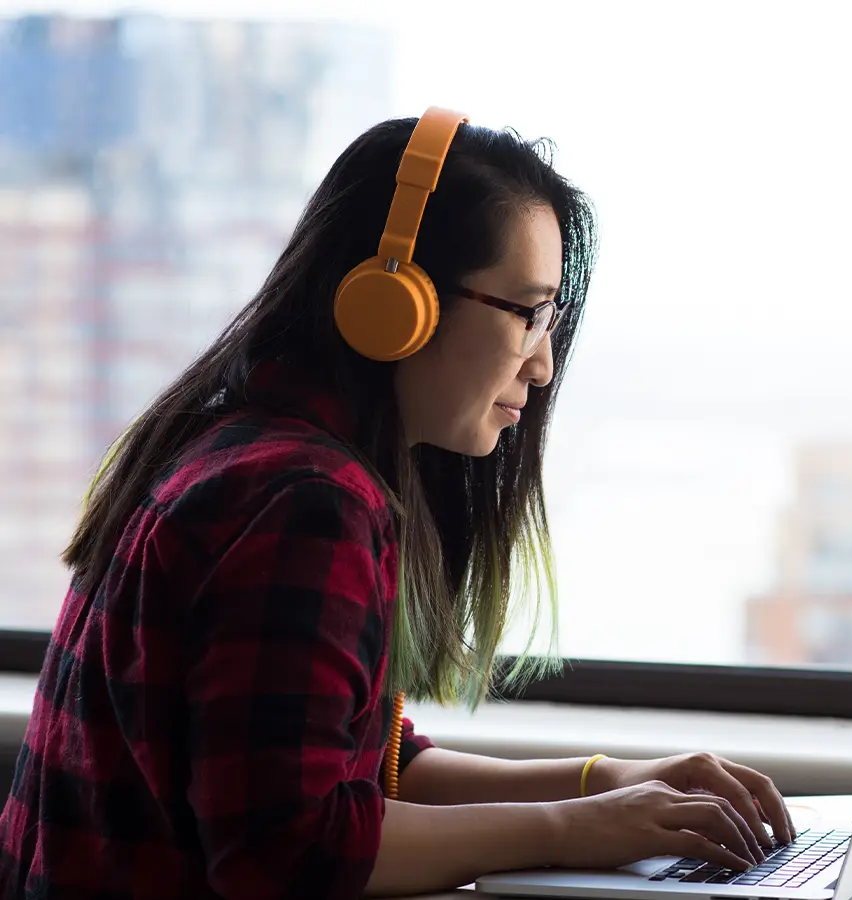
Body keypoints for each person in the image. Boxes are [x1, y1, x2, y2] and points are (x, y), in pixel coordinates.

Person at [0, 107, 795, 899]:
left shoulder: (246, 447)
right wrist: (581, 828)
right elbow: (290, 850)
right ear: (395, 300)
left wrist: (604, 781)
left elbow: (376, 766)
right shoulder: (304, 501)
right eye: (527, 313)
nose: (543, 365)